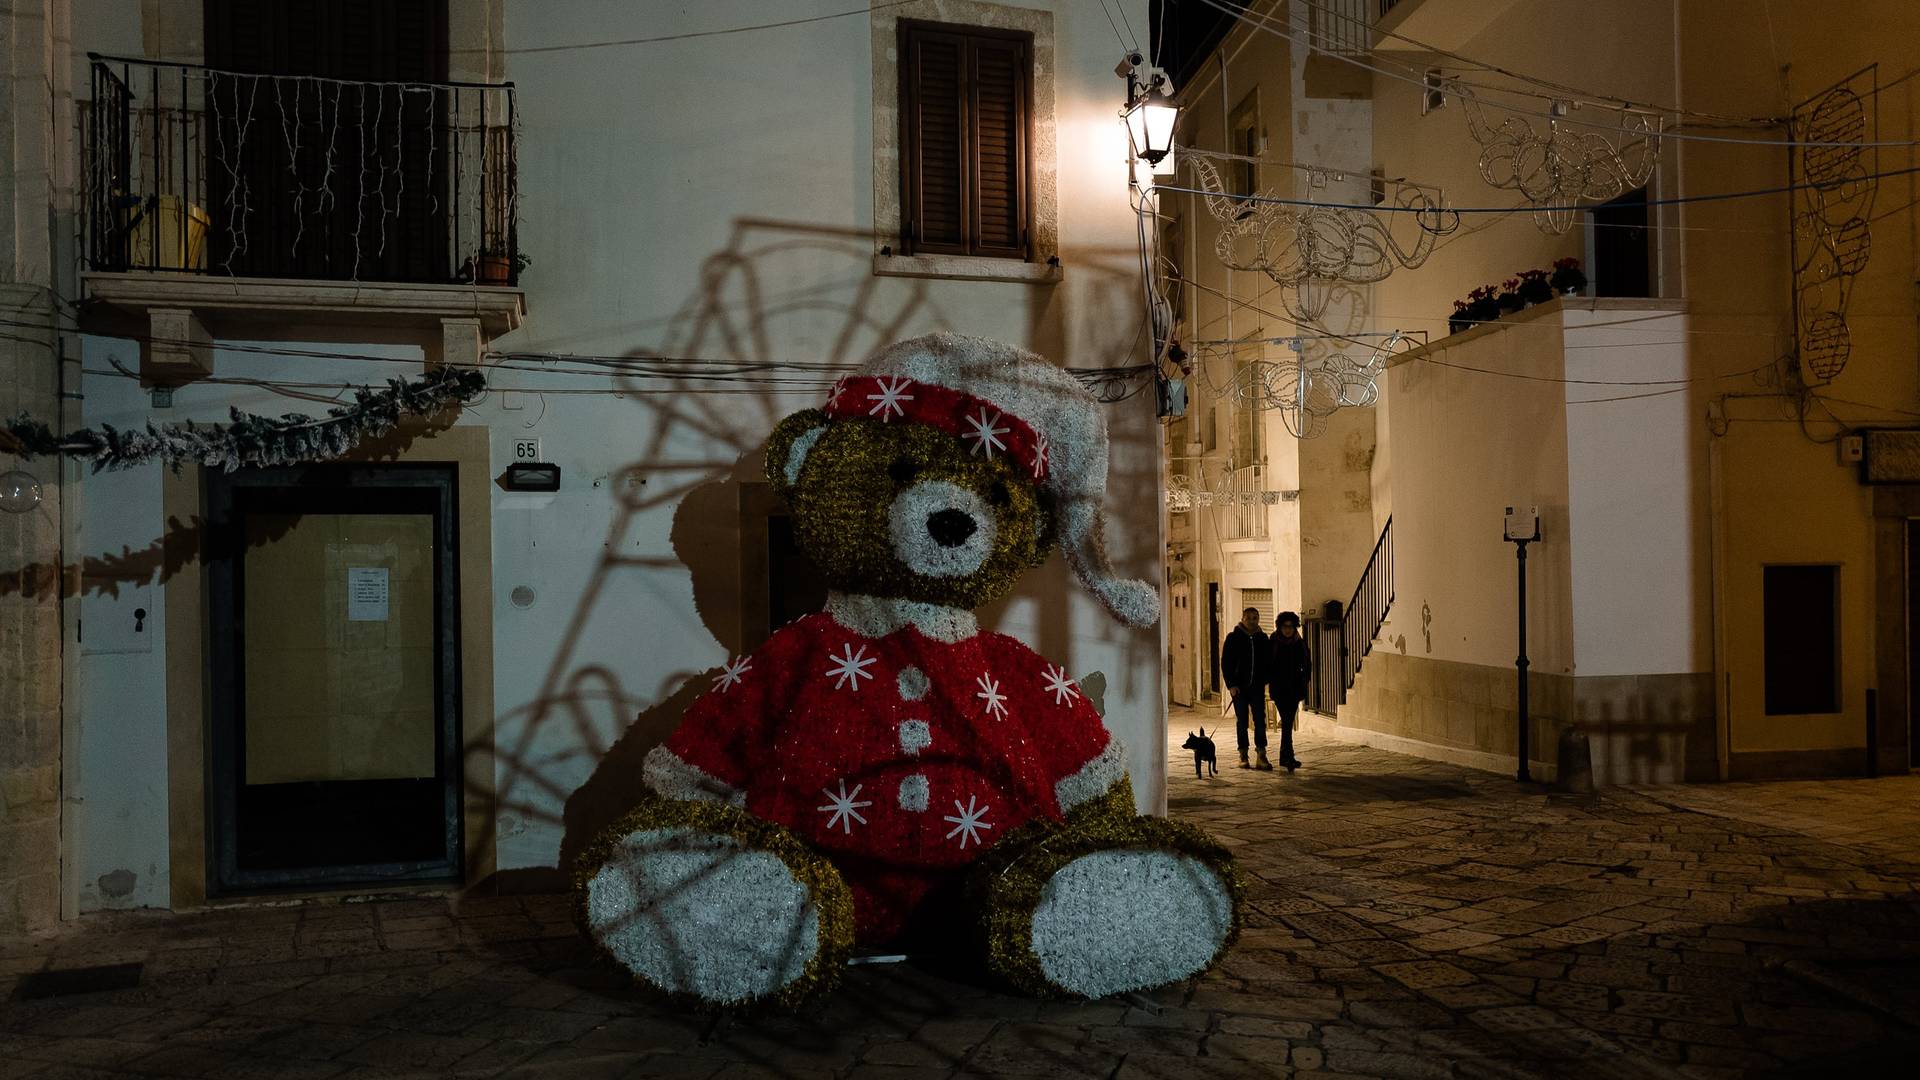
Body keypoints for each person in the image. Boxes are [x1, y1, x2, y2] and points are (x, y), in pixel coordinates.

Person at [1220, 607, 1273, 770]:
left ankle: (1261, 753)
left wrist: (1265, 680)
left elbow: (1268, 661)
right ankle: (1243, 754)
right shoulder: (1233, 638)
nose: (1252, 620)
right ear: (1243, 619)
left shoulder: (1263, 639)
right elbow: (1226, 663)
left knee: (1260, 720)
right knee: (1241, 721)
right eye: (1249, 617)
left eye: (1255, 617)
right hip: (1239, 688)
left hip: (1256, 687)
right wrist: (1231, 685)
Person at [1268, 611, 1309, 771]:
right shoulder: (1274, 642)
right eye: (1285, 627)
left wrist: (1304, 680)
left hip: (1294, 688)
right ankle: (1287, 756)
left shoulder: (1299, 643)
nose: (1288, 630)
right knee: (1286, 721)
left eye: (1290, 627)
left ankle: (1286, 757)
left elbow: (1307, 663)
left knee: (1287, 722)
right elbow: (1268, 663)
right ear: (1280, 627)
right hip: (1279, 689)